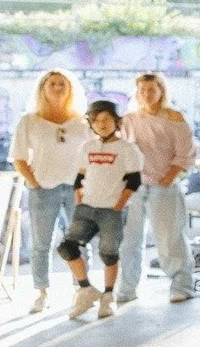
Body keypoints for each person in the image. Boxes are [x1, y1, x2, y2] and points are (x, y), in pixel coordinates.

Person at [8, 69, 87, 314]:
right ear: (42, 88)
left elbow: (91, 155)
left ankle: (81, 289)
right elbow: (18, 157)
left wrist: (85, 184)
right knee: (41, 243)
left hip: (77, 189)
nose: (57, 88)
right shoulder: (29, 120)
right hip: (43, 189)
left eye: (62, 84)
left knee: (80, 241)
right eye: (52, 84)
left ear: (70, 88)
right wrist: (33, 183)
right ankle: (42, 292)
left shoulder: (82, 121)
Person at [114, 72, 196, 306]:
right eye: (142, 90)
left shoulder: (174, 118)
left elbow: (185, 154)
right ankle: (128, 287)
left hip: (164, 186)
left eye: (151, 89)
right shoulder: (129, 120)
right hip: (134, 189)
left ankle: (181, 284)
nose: (147, 94)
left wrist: (167, 179)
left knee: (170, 238)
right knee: (129, 241)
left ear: (161, 91)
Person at [57, 99, 143, 320]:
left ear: (116, 121)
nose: (101, 124)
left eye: (106, 119)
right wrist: (79, 198)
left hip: (111, 210)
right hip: (87, 207)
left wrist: (119, 205)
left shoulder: (127, 149)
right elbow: (80, 176)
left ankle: (108, 296)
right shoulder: (87, 147)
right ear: (91, 124)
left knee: (108, 253)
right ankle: (86, 289)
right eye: (96, 120)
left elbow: (134, 180)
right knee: (67, 247)